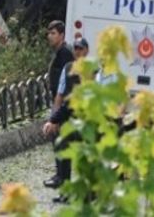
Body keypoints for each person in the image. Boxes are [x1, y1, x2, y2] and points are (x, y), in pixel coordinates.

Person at [43, 37, 89, 202]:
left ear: (86, 51)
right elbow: (60, 95)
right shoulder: (68, 68)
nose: (78, 51)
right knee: (63, 154)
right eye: (75, 48)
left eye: (81, 48)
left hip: (87, 120)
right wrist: (54, 119)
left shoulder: (93, 71)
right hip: (70, 117)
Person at [43, 20, 74, 190]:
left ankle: (62, 177)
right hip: (57, 99)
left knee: (61, 140)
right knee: (57, 139)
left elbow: (64, 84)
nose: (50, 36)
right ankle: (59, 174)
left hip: (62, 102)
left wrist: (57, 108)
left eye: (53, 33)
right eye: (49, 33)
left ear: (61, 35)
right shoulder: (59, 52)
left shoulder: (65, 54)